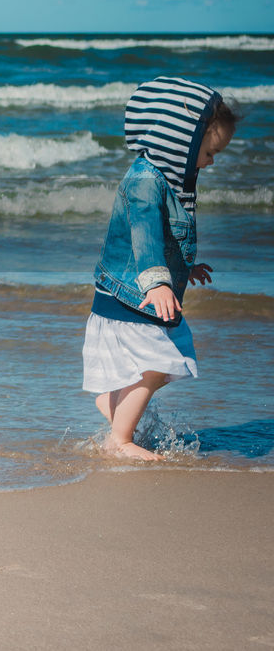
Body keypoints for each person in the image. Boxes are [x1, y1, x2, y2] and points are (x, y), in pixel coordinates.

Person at [83, 76, 237, 460]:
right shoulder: (145, 182)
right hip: (132, 295)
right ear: (179, 143)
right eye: (208, 151)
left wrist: (186, 266)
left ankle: (113, 407)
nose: (211, 161)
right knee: (154, 368)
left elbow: (168, 238)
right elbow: (145, 236)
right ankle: (118, 441)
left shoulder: (169, 180)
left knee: (159, 367)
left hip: (140, 295)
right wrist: (157, 282)